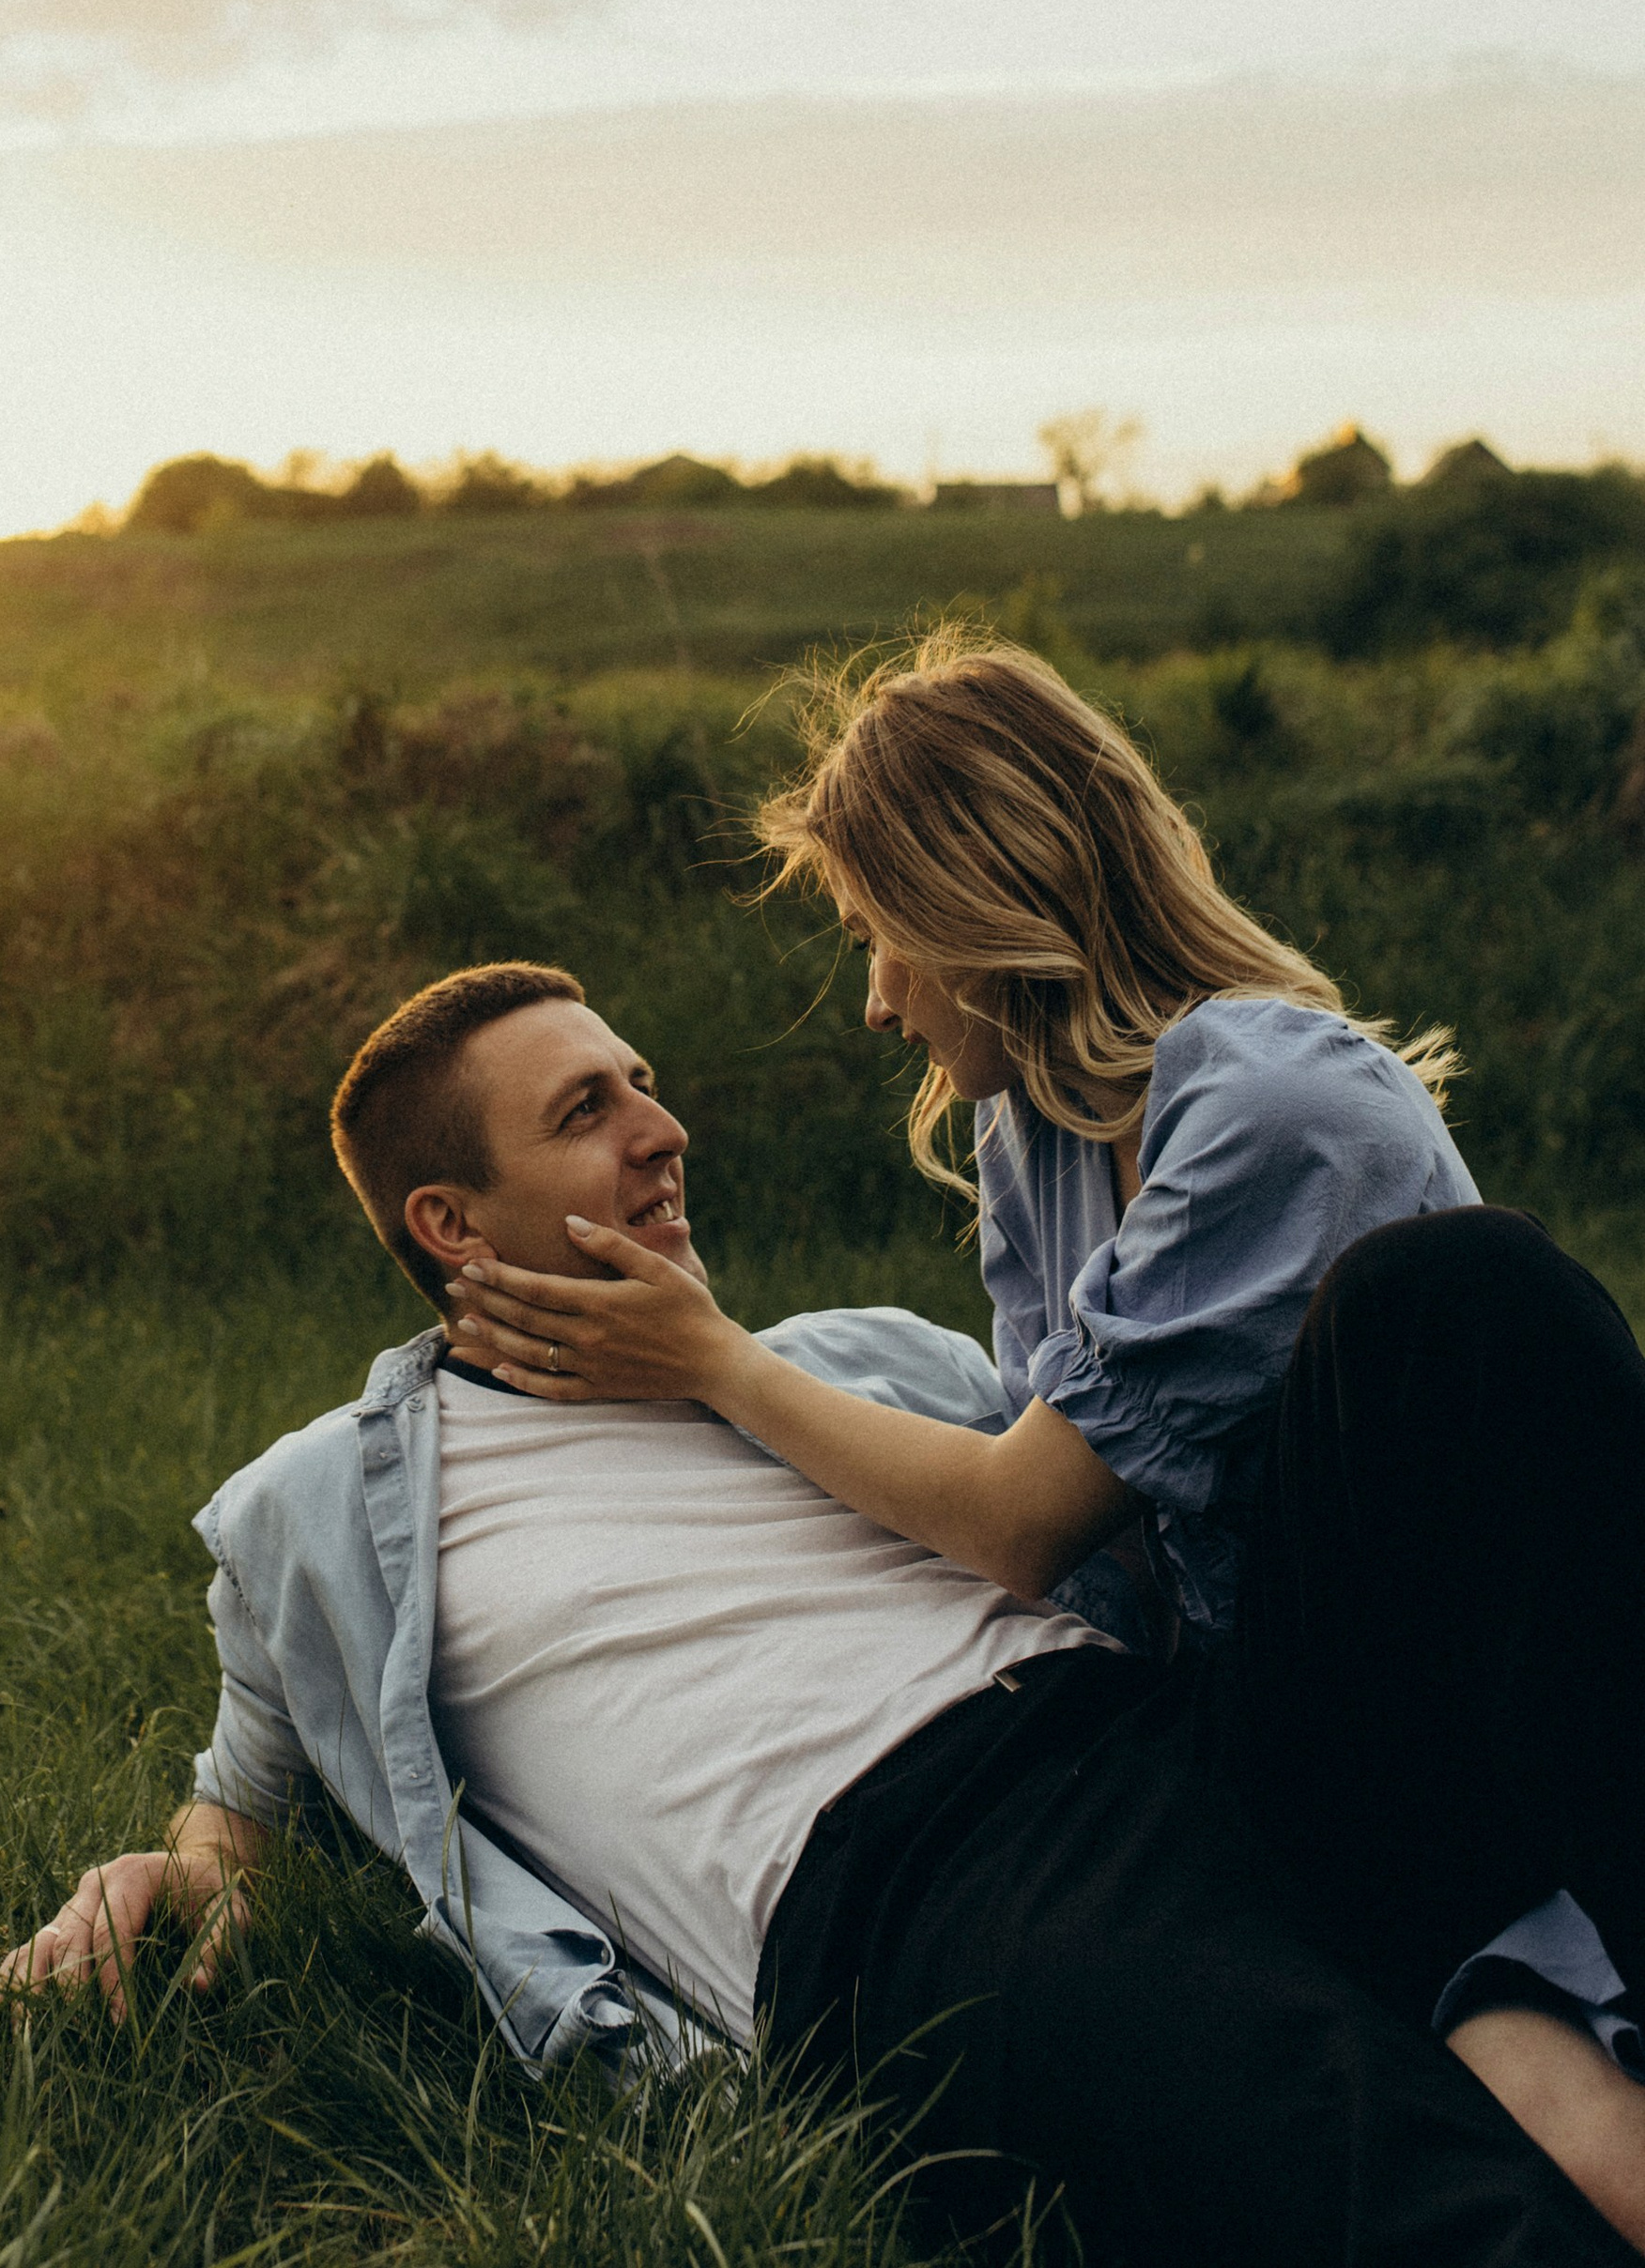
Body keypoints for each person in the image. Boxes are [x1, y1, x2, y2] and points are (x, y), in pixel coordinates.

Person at [0, 964, 1644, 2267]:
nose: (662, 1128)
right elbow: (244, 1807)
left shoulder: (855, 1359)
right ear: (451, 1223)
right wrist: (163, 1872)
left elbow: (1100, 1514)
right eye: (587, 1109)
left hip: (1186, 1734)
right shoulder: (323, 1509)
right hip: (933, 1883)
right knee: (1402, 2170)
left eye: (643, 1081)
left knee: (1452, 1292)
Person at [438, 637, 1645, 2229]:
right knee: (1519, 2092)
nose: (877, 1002)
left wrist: (717, 1364)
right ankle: (1473, 1994)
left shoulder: (1273, 1105)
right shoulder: (1039, 1138)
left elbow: (1023, 1516)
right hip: (1268, 1739)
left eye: (879, 941)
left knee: (1454, 1292)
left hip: (1444, 1698)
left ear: (977, 905)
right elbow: (1067, 1515)